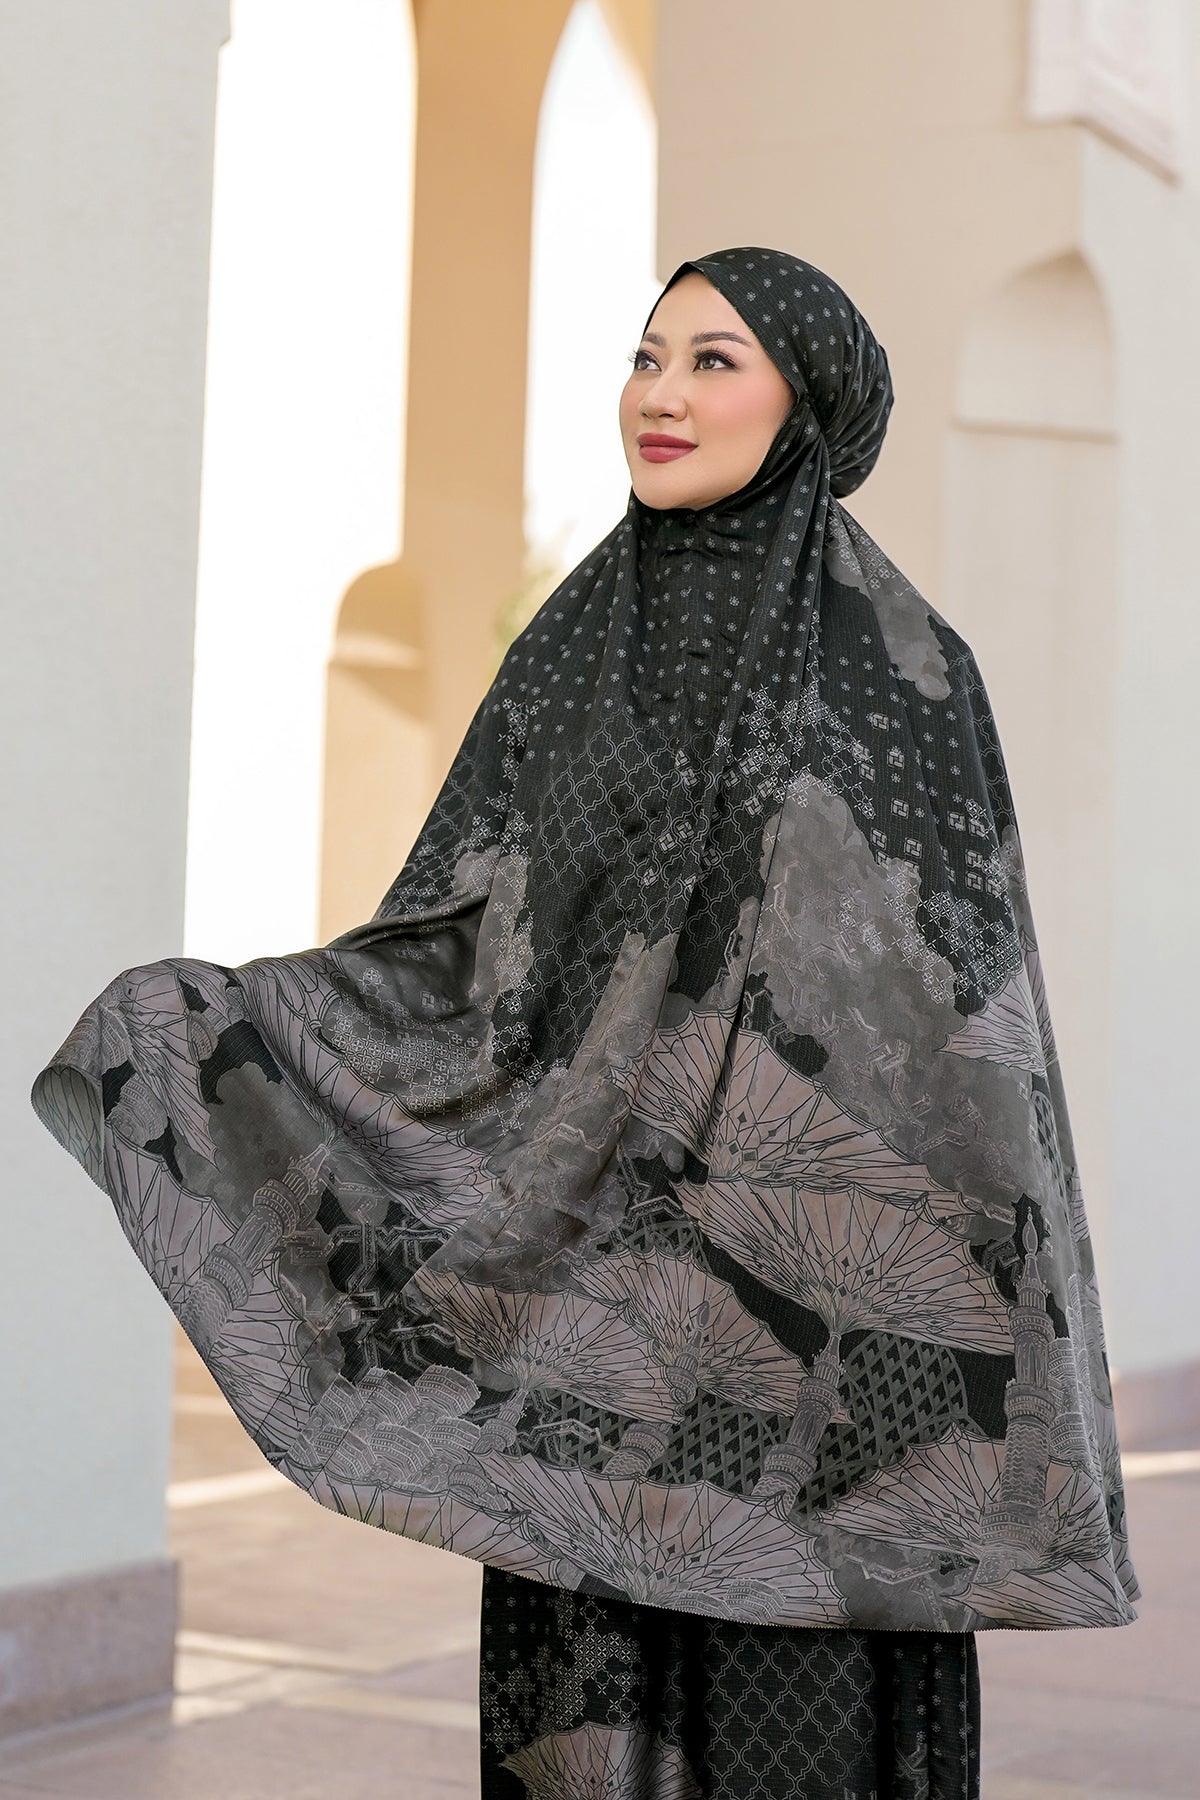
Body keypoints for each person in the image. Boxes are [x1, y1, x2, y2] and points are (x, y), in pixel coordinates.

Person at [31, 246, 1141, 1799]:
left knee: (791, 1738)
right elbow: (463, 951)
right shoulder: (571, 653)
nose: (660, 395)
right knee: (582, 1736)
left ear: (806, 402)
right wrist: (236, 1025)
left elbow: (954, 1027)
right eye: (646, 356)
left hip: (815, 1348)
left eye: (713, 360)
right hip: (599, 1325)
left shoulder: (908, 672)